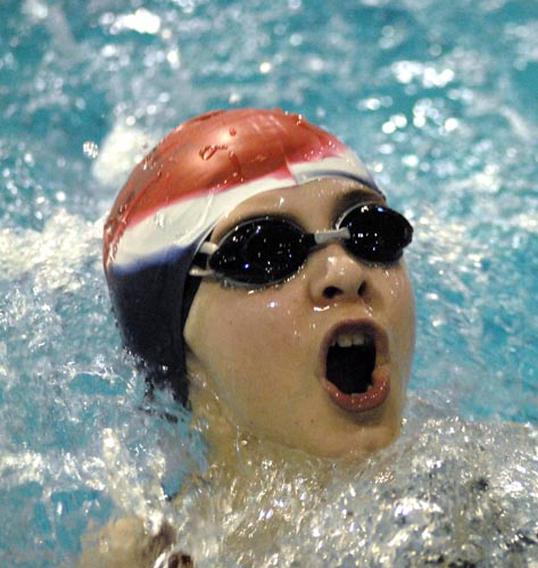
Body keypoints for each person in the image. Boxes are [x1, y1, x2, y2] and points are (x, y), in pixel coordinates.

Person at [83, 108, 416, 566]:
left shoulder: (482, 507)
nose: (345, 270)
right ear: (180, 347)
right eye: (265, 251)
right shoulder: (146, 555)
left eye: (370, 232)